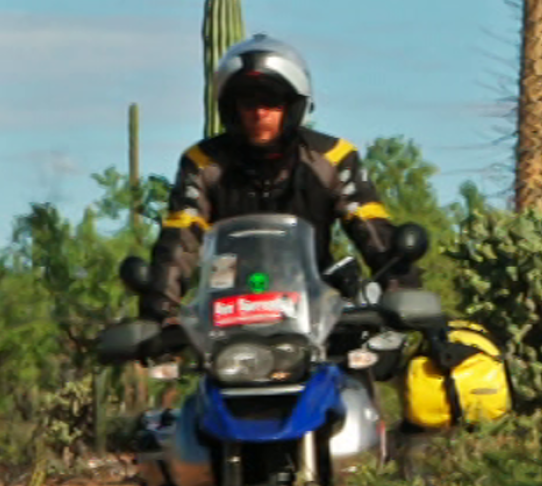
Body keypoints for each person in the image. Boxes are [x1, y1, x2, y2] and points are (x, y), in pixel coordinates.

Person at [141, 33, 416, 321]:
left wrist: (405, 292)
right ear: (230, 108)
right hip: (228, 317)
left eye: (271, 101)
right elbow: (180, 240)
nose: (259, 113)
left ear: (293, 105)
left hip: (318, 314)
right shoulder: (203, 163)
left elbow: (372, 230)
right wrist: (159, 308)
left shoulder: (333, 157)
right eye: (248, 103)